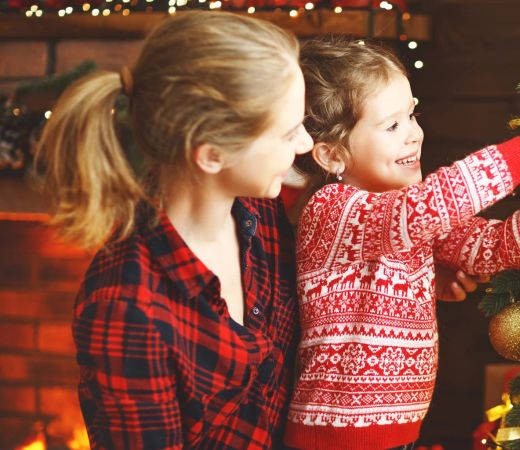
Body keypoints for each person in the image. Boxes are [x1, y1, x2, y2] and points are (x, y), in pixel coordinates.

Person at [286, 36, 520, 450]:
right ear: (331, 156)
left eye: (412, 115)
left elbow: (502, 246)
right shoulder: (333, 210)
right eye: (392, 125)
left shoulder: (415, 218)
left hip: (402, 436)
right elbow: (434, 202)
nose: (414, 134)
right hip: (333, 439)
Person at [35, 12, 314, 449]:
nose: (305, 145)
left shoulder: (263, 213)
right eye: (287, 132)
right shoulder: (128, 305)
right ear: (211, 155)